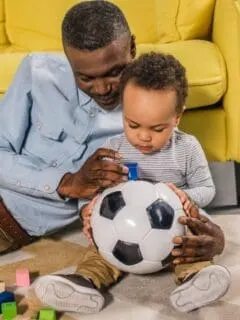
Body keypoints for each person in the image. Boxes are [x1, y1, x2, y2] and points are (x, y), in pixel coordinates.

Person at [0, 0, 225, 304]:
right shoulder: (36, 72)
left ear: (131, 47)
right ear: (68, 61)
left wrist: (214, 239)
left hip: (17, 227)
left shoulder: (144, 114)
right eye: (85, 78)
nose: (103, 88)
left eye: (114, 72)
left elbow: (165, 195)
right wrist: (66, 181)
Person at [34, 52, 230, 314]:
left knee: (195, 242)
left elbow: (207, 189)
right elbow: (88, 192)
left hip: (175, 234)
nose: (144, 137)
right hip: (122, 233)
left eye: (158, 129)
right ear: (123, 112)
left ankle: (195, 279)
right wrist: (88, 209)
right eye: (133, 124)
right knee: (99, 250)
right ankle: (84, 283)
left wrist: (184, 197)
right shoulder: (112, 149)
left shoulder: (187, 148)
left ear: (177, 118)